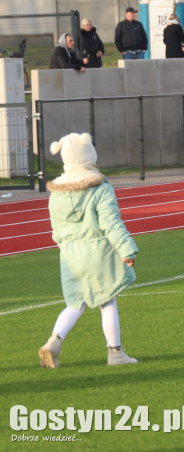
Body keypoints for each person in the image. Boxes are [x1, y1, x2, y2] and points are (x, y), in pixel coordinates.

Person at [38, 132, 139, 368]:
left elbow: (56, 230)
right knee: (107, 301)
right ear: (89, 157)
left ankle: (53, 342)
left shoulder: (56, 192)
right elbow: (110, 223)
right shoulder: (100, 187)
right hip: (98, 253)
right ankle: (115, 353)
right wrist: (126, 248)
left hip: (70, 256)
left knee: (75, 303)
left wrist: (65, 247)